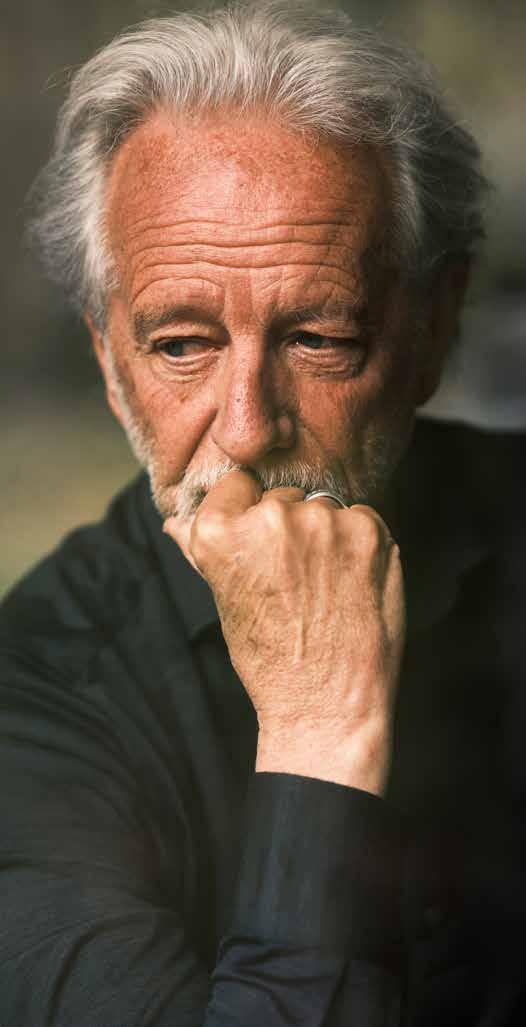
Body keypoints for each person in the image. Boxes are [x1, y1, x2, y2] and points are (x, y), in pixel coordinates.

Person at [1, 2, 525, 1024]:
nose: (246, 432)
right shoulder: (30, 705)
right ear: (109, 361)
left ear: (433, 327)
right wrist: (319, 729)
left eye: (318, 338)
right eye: (181, 344)